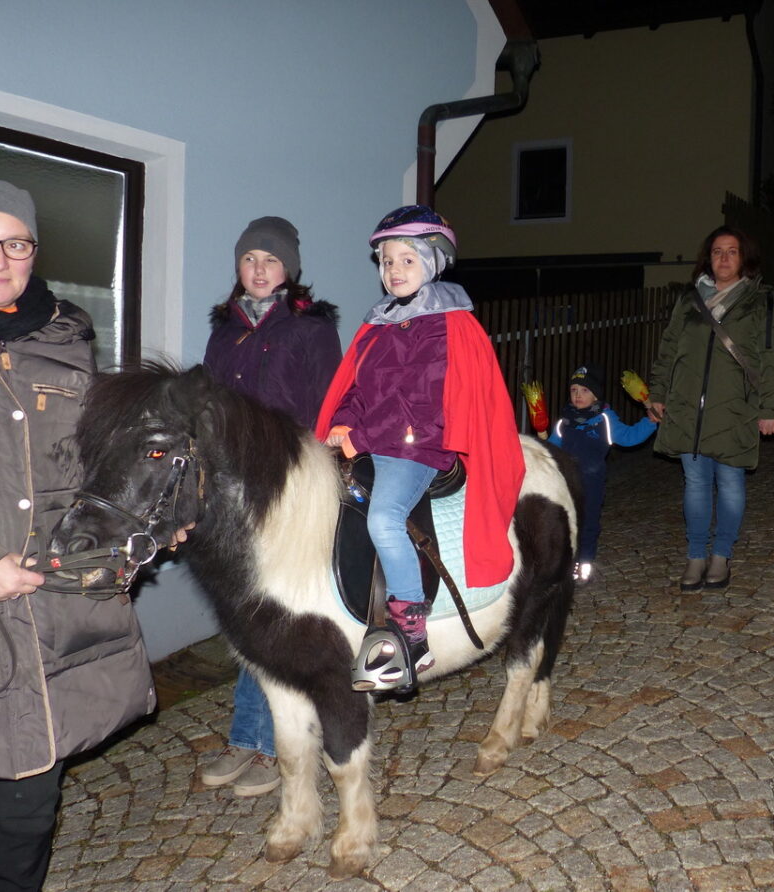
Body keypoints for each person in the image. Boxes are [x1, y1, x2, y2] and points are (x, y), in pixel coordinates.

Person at [0, 174, 155, 891]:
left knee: (27, 820)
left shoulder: (68, 335)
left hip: (48, 618)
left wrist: (138, 523)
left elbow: (94, 465)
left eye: (16, 243)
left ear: (35, 251)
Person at [315, 205, 523, 691]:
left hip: (418, 448)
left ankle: (412, 631)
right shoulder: (380, 323)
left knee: (385, 518)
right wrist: (344, 422)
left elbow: (427, 403)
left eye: (407, 260)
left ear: (432, 263)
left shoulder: (448, 324)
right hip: (374, 442)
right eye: (387, 261)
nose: (395, 271)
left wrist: (362, 438)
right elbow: (358, 389)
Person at [199, 216, 342, 797]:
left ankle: (266, 744)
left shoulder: (309, 330)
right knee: (245, 613)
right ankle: (246, 736)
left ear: (289, 271)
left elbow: (328, 406)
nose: (258, 270)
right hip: (233, 490)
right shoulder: (224, 332)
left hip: (288, 487)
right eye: (249, 259)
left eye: (270, 260)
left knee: (274, 614)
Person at [648, 226, 774, 591]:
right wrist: (657, 392)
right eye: (717, 251)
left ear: (745, 257)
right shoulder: (690, 299)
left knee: (729, 482)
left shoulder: (763, 300)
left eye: (732, 251)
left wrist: (769, 407)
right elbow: (669, 348)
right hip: (686, 408)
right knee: (694, 483)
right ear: (707, 257)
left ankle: (722, 554)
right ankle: (696, 555)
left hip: (735, 407)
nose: (724, 258)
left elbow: (773, 358)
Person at [548, 364, 656, 582]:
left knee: (588, 523)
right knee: (564, 522)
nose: (578, 395)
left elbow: (629, 437)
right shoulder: (564, 421)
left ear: (596, 394)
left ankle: (584, 564)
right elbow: (552, 449)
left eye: (585, 390)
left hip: (591, 482)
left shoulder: (604, 419)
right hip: (566, 483)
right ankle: (563, 563)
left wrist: (650, 422)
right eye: (574, 390)